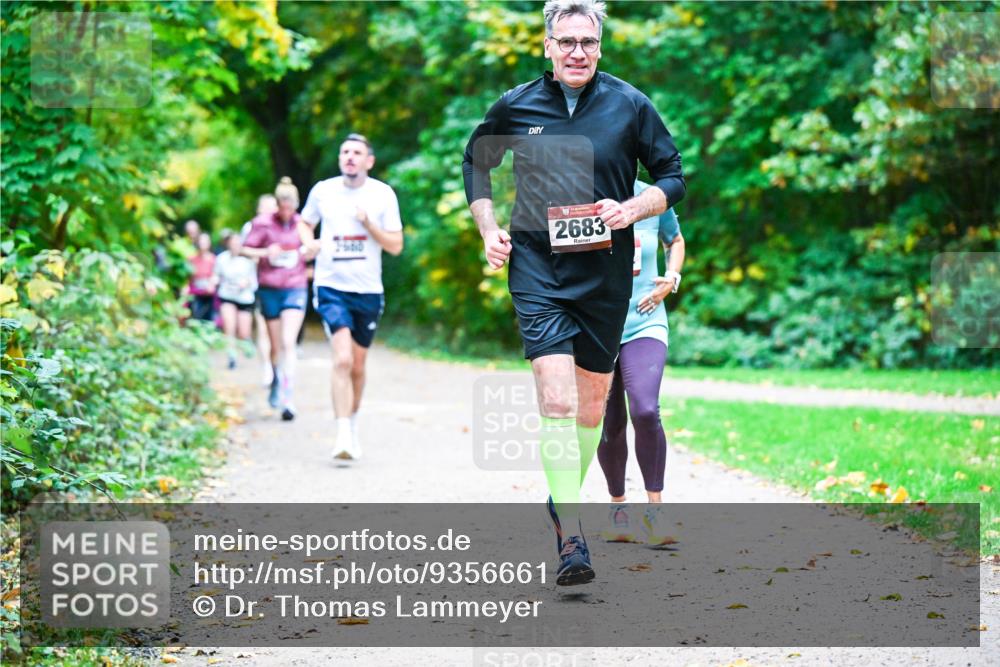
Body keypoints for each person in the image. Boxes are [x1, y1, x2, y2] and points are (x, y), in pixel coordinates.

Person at [462, 0, 685, 585]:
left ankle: (561, 500)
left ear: (600, 46)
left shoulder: (630, 105)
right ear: (547, 46)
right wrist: (489, 229)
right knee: (556, 404)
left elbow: (673, 178)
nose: (577, 52)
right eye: (566, 42)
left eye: (587, 41)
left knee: (590, 412)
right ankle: (572, 537)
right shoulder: (516, 104)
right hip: (537, 269)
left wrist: (632, 208)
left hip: (606, 276)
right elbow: (476, 164)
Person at [301, 133, 404, 461]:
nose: (349, 157)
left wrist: (369, 225)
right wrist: (310, 242)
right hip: (331, 286)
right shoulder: (323, 191)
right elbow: (305, 223)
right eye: (345, 151)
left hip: (369, 290)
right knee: (342, 358)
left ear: (368, 161)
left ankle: (352, 423)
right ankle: (342, 432)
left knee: (358, 365)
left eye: (357, 152)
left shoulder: (382, 194)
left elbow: (395, 245)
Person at [597, 180, 685, 546]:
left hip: (645, 319)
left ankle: (655, 513)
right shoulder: (582, 194)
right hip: (598, 325)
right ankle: (619, 509)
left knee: (646, 410)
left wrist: (671, 277)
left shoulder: (653, 196)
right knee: (610, 421)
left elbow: (675, 241)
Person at [242, 178, 318, 421]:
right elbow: (245, 249)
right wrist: (266, 252)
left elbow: (312, 248)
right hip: (269, 288)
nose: (286, 211)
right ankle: (275, 377)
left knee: (288, 342)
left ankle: (288, 397)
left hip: (295, 287)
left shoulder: (302, 224)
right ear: (276, 204)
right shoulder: (262, 223)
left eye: (290, 207)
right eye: (282, 207)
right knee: (275, 346)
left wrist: (309, 251)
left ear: (296, 205)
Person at [243, 195, 279, 387]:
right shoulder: (251, 229)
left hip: (283, 287)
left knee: (279, 333)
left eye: (272, 207)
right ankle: (267, 368)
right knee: (263, 330)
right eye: (264, 208)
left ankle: (278, 367)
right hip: (258, 285)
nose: (268, 212)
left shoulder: (285, 227)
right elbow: (243, 254)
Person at [214, 230, 258, 369]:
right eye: (232, 243)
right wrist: (212, 281)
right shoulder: (221, 258)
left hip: (244, 298)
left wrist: (246, 283)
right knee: (229, 326)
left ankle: (246, 342)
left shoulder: (249, 260)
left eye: (237, 243)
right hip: (227, 296)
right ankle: (231, 357)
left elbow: (254, 281)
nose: (235, 245)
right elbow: (216, 275)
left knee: (243, 332)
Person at [187, 231, 217, 322]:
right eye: (201, 241)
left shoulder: (214, 259)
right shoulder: (191, 259)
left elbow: (216, 275)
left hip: (209, 293)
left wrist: (212, 284)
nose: (202, 243)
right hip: (195, 292)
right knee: (195, 317)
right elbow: (188, 277)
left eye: (205, 241)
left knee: (209, 319)